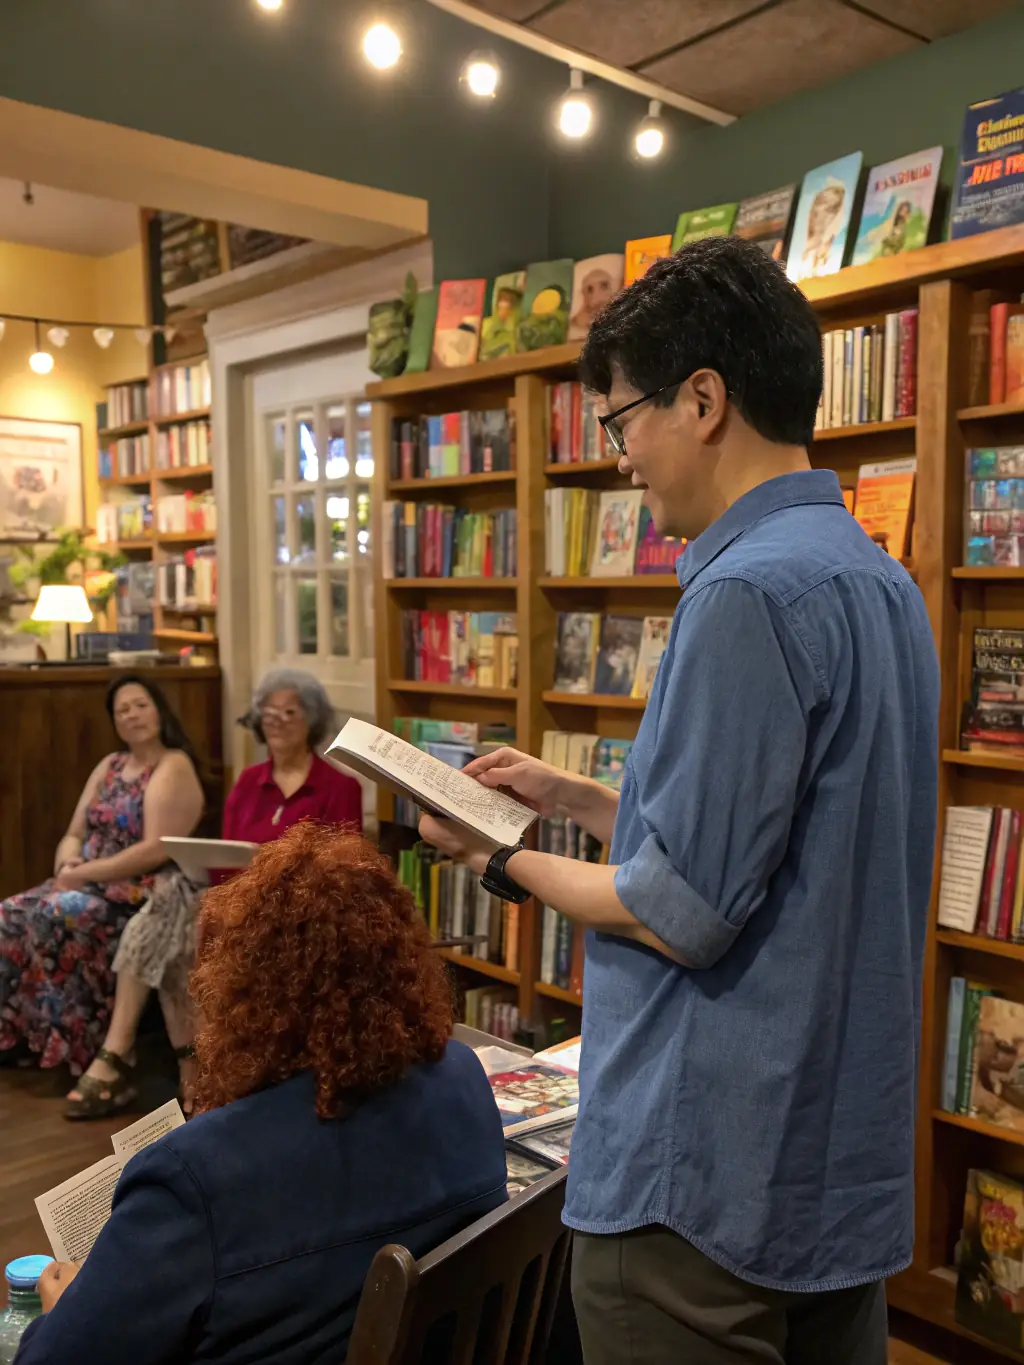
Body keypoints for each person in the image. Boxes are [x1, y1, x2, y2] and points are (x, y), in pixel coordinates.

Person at [417, 236, 940, 1365]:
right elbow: (781, 839)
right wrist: (574, 796)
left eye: (621, 421)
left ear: (701, 399)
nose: (620, 460)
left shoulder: (743, 592)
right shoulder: (876, 579)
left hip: (705, 1179)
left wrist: (493, 857)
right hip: (831, 1174)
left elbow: (677, 911)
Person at [17, 822, 507, 1365]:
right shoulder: (463, 1079)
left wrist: (62, 1307)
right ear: (405, 963)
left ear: (242, 991)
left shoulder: (193, 1177)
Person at [67, 667, 363, 1119]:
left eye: (291, 711)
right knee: (179, 908)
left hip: (302, 908)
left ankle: (153, 1060)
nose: (278, 720)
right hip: (236, 902)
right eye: (269, 713)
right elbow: (223, 860)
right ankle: (193, 1070)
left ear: (313, 720)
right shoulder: (247, 783)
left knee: (171, 920)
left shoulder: (340, 787)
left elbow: (343, 863)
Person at [0, 676, 203, 1075]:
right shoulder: (109, 765)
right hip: (82, 881)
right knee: (7, 915)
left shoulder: (173, 764)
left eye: (140, 705)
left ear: (159, 709)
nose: (132, 715)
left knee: (56, 913)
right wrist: (66, 863)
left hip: (135, 893)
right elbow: (74, 832)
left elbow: (154, 849)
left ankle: (82, 1046)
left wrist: (83, 874)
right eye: (122, 710)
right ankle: (24, 1038)